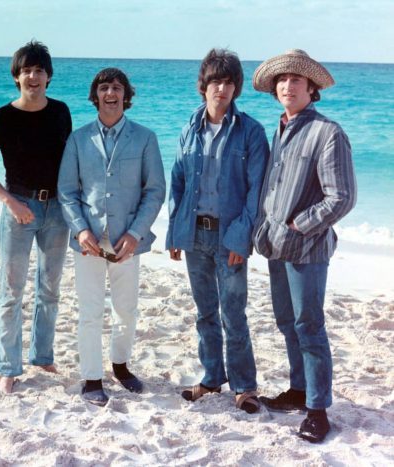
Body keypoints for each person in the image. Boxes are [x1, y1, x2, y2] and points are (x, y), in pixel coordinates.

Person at [252, 49, 356, 442]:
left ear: (312, 89)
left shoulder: (327, 132)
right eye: (282, 80)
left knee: (309, 326)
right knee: (286, 323)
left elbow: (341, 196)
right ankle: (299, 389)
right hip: (276, 247)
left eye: (296, 80)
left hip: (308, 250)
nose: (287, 85)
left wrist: (301, 224)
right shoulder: (278, 130)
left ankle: (318, 409)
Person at [166, 48, 269, 413]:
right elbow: (177, 183)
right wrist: (174, 234)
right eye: (215, 82)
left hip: (230, 237)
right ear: (203, 86)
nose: (221, 89)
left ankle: (244, 386)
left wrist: (242, 237)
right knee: (204, 311)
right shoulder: (188, 129)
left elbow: (256, 194)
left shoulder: (251, 133)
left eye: (228, 82)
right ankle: (212, 378)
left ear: (236, 88)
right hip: (194, 235)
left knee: (233, 313)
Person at [58, 68, 165, 406]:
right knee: (89, 311)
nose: (110, 93)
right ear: (96, 96)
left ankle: (120, 365)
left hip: (127, 242)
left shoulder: (145, 137)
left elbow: (155, 191)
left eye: (116, 88)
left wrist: (136, 234)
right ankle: (91, 378)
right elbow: (66, 191)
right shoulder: (78, 139)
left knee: (126, 310)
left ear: (125, 95)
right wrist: (81, 230)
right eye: (104, 88)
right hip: (89, 242)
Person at [0, 40, 72, 394]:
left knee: (50, 289)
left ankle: (42, 356)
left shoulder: (61, 112)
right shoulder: (1, 118)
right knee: (11, 292)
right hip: (18, 210)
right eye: (27, 70)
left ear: (49, 77)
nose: (33, 76)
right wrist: (10, 202)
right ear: (17, 77)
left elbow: (69, 163)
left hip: (57, 211)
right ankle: (8, 368)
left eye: (40, 70)